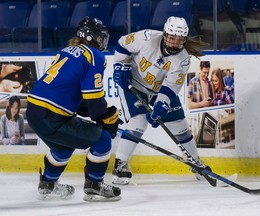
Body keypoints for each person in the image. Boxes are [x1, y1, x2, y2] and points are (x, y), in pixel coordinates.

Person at [26, 16, 121, 201]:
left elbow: (69, 90)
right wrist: (107, 117)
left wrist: (94, 111)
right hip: (52, 116)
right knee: (102, 139)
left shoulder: (67, 51)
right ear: (89, 37)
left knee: (63, 147)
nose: (102, 41)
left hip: (34, 111)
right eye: (100, 37)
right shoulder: (94, 56)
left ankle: (47, 183)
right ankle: (95, 184)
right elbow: (94, 102)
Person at [112, 16, 211, 185]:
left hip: (158, 90)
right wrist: (121, 65)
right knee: (139, 120)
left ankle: (196, 164)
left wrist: (161, 105)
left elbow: (170, 87)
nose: (174, 43)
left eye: (179, 40)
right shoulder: (146, 38)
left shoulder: (183, 59)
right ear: (165, 34)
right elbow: (122, 43)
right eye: (171, 38)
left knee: (179, 124)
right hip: (133, 85)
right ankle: (120, 165)